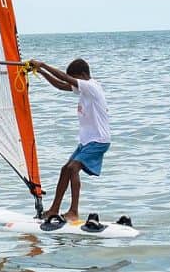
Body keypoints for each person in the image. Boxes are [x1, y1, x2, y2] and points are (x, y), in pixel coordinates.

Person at [29, 58, 111, 231]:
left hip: (99, 140)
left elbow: (66, 80)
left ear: (82, 76)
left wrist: (42, 64)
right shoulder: (84, 90)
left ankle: (73, 211)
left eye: (74, 78)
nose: (73, 81)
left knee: (73, 168)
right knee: (65, 169)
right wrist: (41, 72)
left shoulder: (91, 86)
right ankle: (54, 209)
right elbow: (60, 85)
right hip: (87, 141)